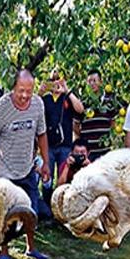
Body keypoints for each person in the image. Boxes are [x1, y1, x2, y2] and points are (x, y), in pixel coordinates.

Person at [0, 69, 51, 259]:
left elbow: (42, 134)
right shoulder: (2, 106)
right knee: (7, 217)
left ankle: (31, 248)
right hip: (4, 173)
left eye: (29, 91)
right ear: (14, 87)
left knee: (32, 212)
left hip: (27, 169)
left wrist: (46, 162)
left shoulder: (38, 104)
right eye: (21, 90)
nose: (24, 95)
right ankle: (3, 252)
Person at [40, 69, 83, 215]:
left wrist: (68, 90)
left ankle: (62, 209)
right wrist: (40, 92)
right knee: (47, 179)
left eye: (59, 79)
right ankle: (47, 210)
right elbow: (32, 107)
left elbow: (81, 109)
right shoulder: (45, 99)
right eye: (53, 80)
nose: (56, 83)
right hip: (49, 146)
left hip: (65, 146)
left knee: (63, 178)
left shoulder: (67, 98)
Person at [80, 69, 115, 161]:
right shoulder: (82, 103)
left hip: (105, 151)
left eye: (94, 80)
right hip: (88, 153)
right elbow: (76, 126)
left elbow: (113, 123)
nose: (92, 83)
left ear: (101, 82)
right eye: (89, 81)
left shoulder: (109, 101)